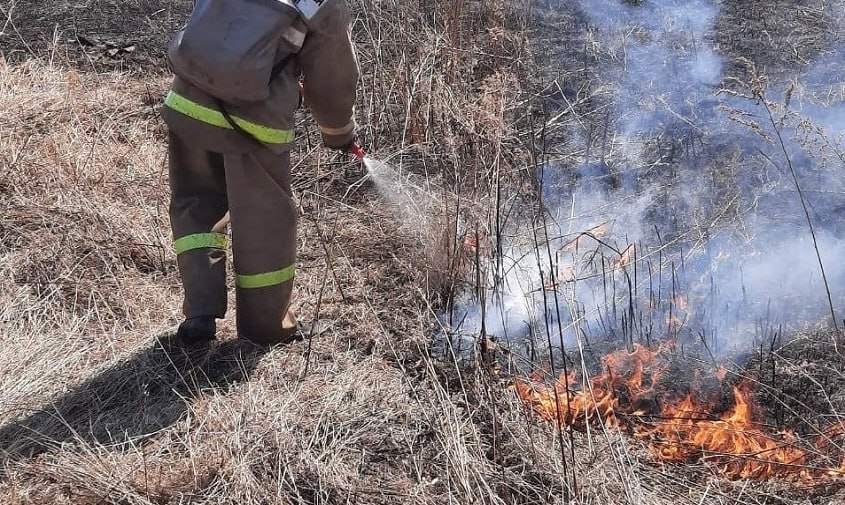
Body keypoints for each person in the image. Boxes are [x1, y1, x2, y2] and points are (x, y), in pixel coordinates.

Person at [161, 1, 360, 345]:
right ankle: (267, 328)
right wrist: (338, 132)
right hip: (253, 123)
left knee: (196, 205)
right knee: (264, 222)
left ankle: (200, 313)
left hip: (188, 98)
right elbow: (331, 78)